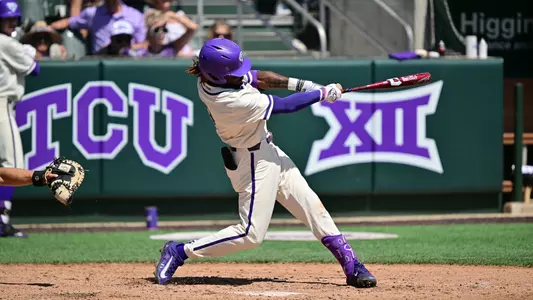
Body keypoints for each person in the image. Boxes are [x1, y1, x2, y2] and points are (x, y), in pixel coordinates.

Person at [153, 38, 377, 288]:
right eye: (235, 73)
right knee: (250, 234)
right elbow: (284, 106)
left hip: (269, 152)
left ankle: (352, 265)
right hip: (252, 163)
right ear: (218, 76)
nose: (242, 75)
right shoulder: (230, 101)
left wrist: (306, 86)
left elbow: (259, 77)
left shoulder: (214, 77)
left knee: (313, 207)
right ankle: (180, 251)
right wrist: (321, 94)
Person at [0, 0, 41, 238]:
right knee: (12, 166)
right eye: (6, 19)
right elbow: (35, 69)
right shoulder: (7, 43)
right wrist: (28, 52)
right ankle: (3, 220)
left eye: (13, 19)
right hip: (3, 104)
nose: (10, 23)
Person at [49, 0, 147, 54]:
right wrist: (47, 26)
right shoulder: (92, 13)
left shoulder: (135, 16)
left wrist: (122, 47)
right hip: (100, 61)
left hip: (128, 61)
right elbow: (70, 22)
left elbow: (144, 45)